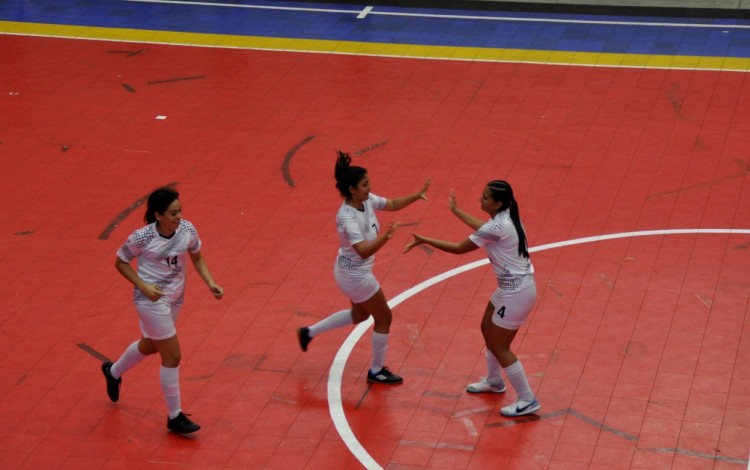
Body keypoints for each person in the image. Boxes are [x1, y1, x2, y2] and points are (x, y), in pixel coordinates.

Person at [403, 181, 540, 417]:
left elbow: (459, 248)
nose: (480, 199)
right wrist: (456, 212)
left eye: (485, 197)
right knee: (486, 327)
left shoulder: (498, 225)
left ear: (497, 203)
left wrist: (426, 240)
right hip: (511, 288)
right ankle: (495, 381)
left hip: (516, 292)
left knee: (500, 346)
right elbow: (484, 229)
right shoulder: (505, 217)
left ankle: (528, 399)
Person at [297, 151, 430, 385]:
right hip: (355, 275)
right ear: (352, 189)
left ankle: (308, 332)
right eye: (365, 185)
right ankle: (377, 371)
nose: (369, 188)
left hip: (349, 271)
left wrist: (417, 195)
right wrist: (387, 236)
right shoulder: (347, 217)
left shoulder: (366, 200)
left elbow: (392, 204)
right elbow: (364, 251)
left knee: (360, 314)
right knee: (384, 317)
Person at [101, 187, 224, 434]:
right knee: (173, 356)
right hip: (150, 300)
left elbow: (197, 257)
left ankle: (112, 371)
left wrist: (211, 282)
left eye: (180, 211)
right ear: (158, 215)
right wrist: (143, 285)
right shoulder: (142, 237)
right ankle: (174, 416)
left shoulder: (187, 230)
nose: (179, 217)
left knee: (151, 345)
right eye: (172, 213)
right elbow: (120, 262)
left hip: (176, 299)